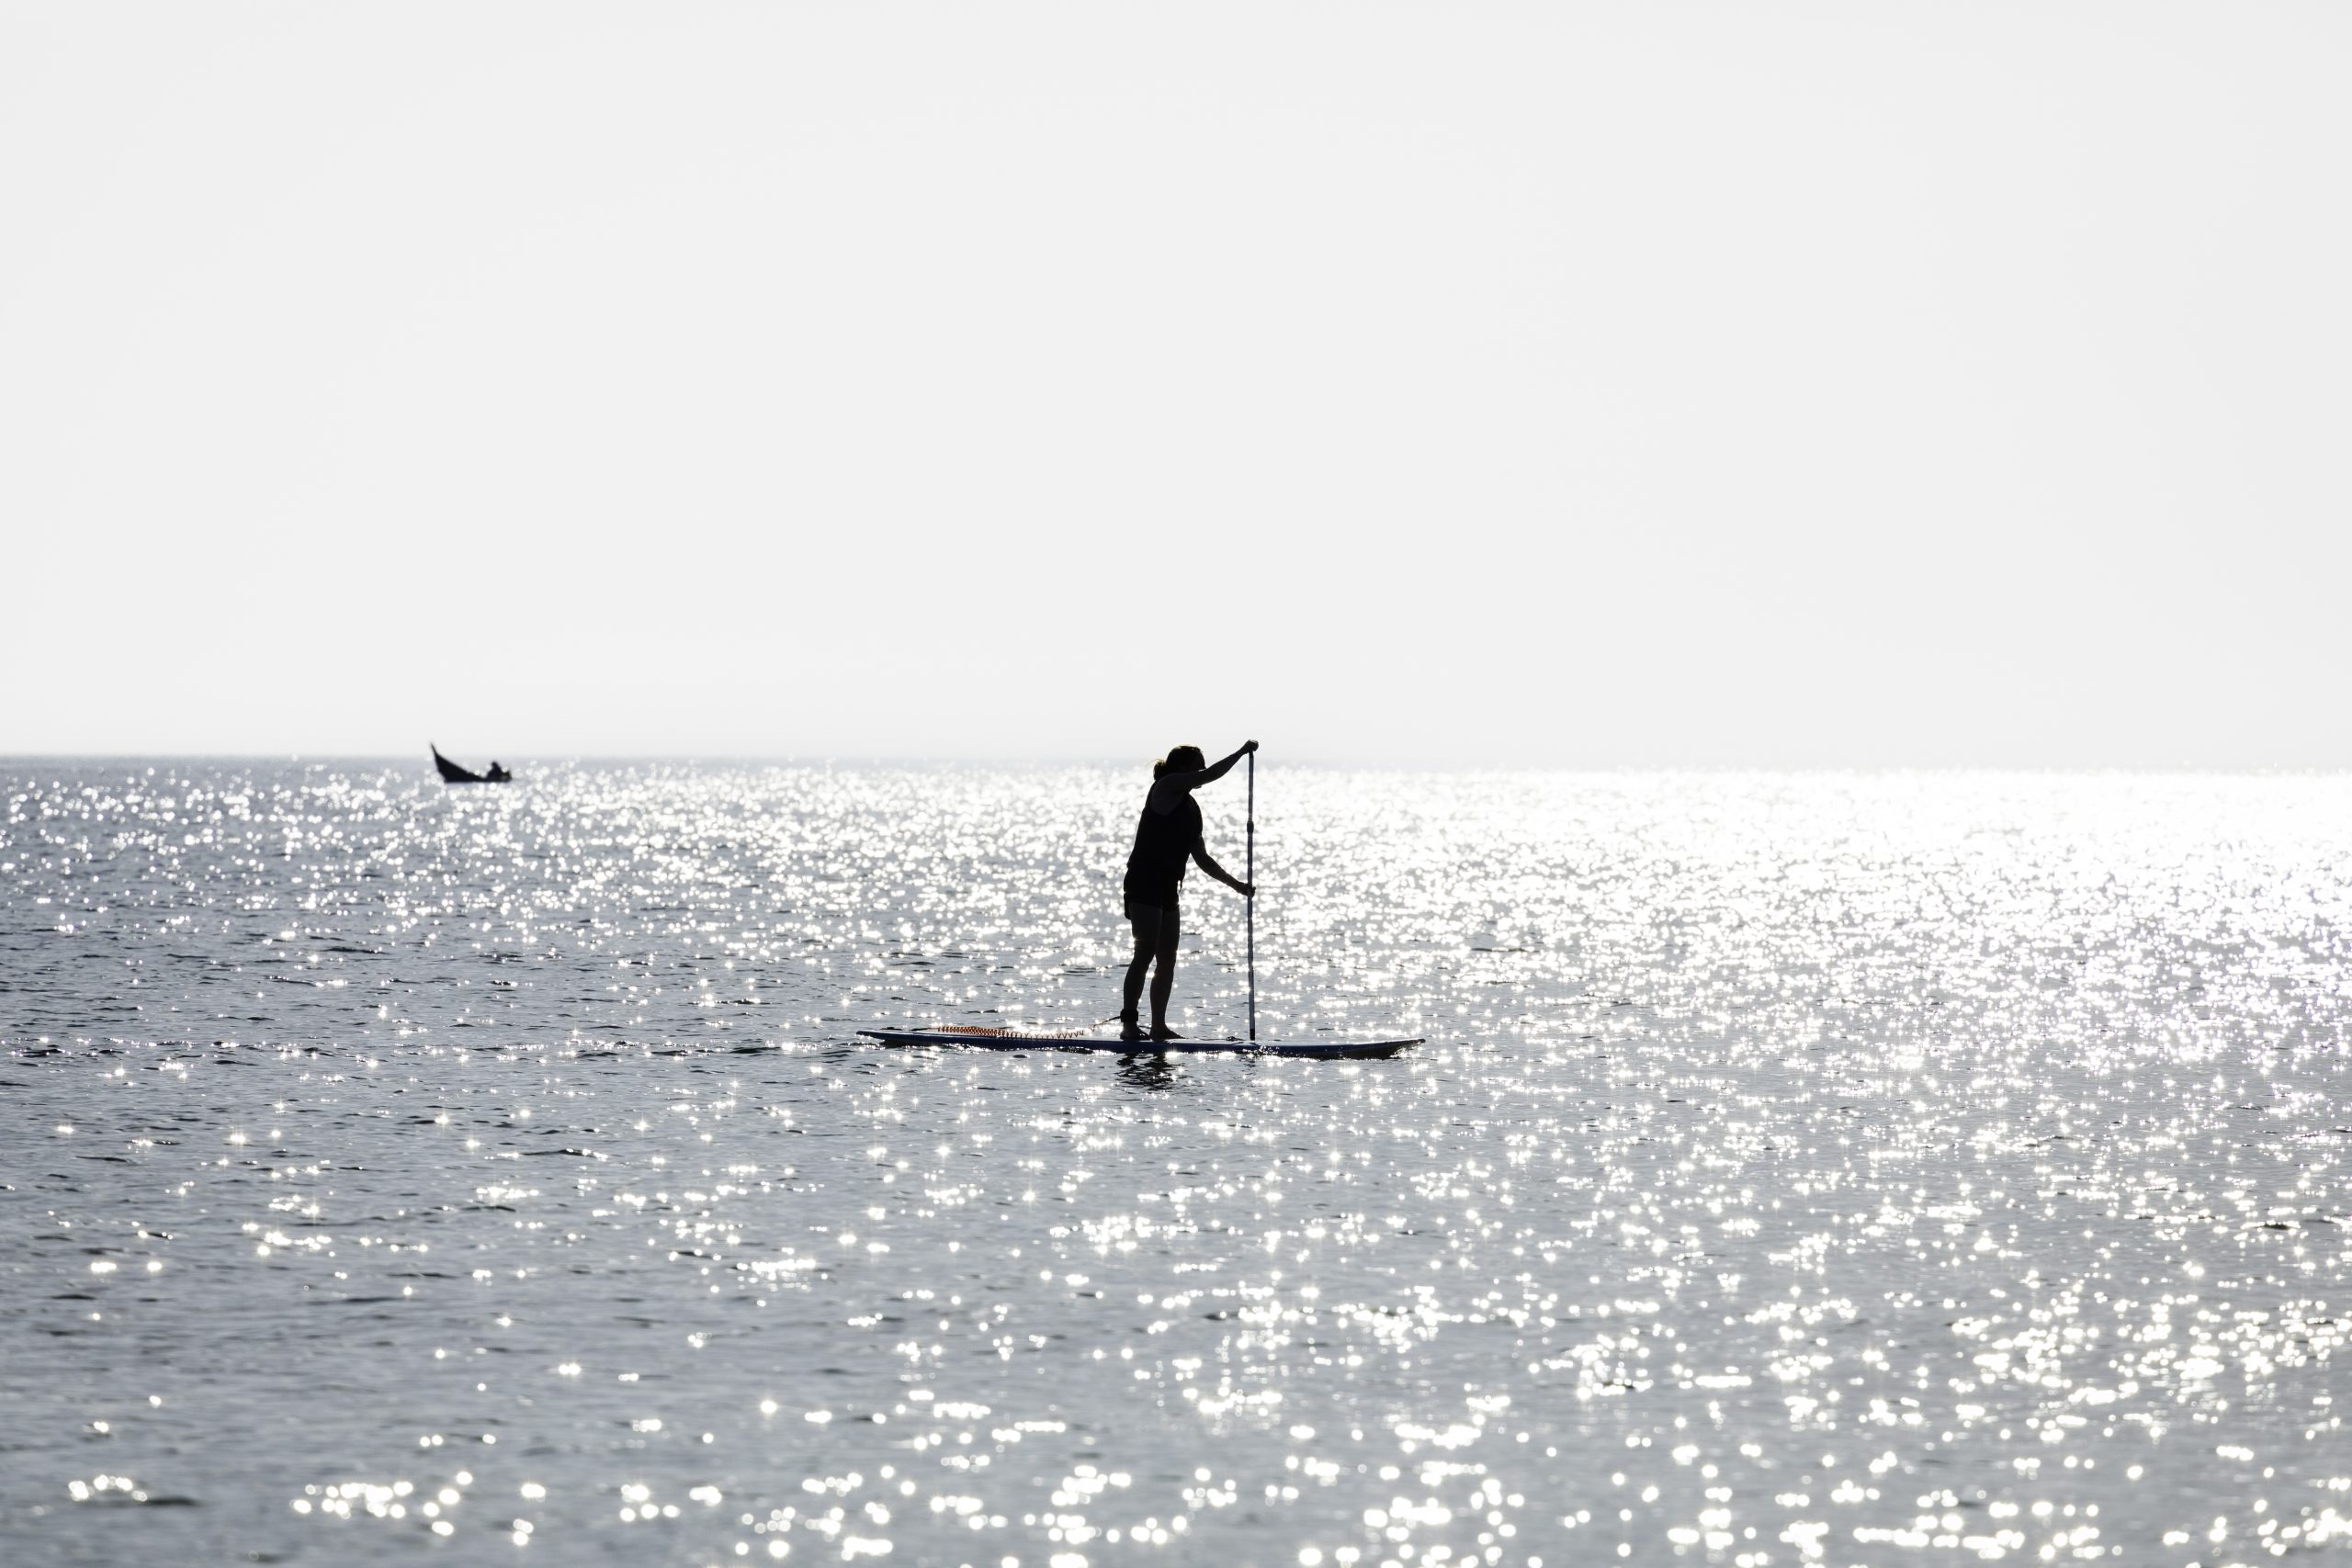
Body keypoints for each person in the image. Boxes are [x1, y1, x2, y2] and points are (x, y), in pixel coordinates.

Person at [1120, 740, 1256, 1042]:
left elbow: (1202, 858)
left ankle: (1158, 1027)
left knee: (1167, 957)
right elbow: (1209, 776)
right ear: (1181, 769)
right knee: (1144, 953)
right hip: (1143, 881)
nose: (1202, 770)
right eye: (1198, 765)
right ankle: (1129, 1025)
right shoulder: (1166, 786)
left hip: (1168, 886)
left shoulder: (1192, 808)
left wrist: (1237, 886)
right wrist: (1241, 752)